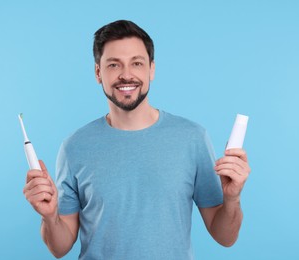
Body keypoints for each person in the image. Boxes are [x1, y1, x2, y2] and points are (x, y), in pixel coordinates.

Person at [23, 20, 251, 259]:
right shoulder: (74, 147)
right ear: (98, 72)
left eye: (137, 63)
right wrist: (49, 217)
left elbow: (225, 237)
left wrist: (232, 198)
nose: (126, 75)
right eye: (114, 65)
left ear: (151, 69)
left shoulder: (192, 138)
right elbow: (59, 248)